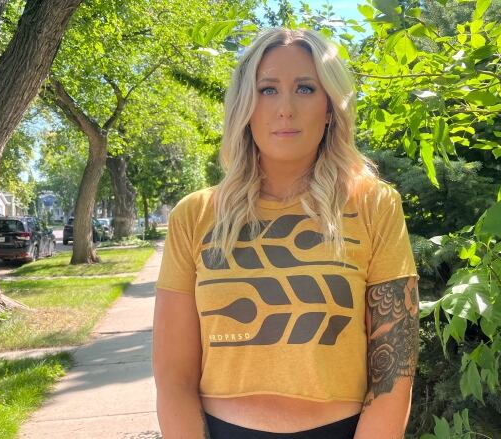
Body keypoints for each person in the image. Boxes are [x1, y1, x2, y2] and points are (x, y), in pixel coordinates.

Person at [153, 27, 419, 439]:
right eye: (268, 89)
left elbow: (394, 374)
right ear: (245, 104)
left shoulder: (374, 205)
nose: (286, 109)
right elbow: (173, 378)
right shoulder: (195, 215)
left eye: (306, 89)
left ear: (330, 108)